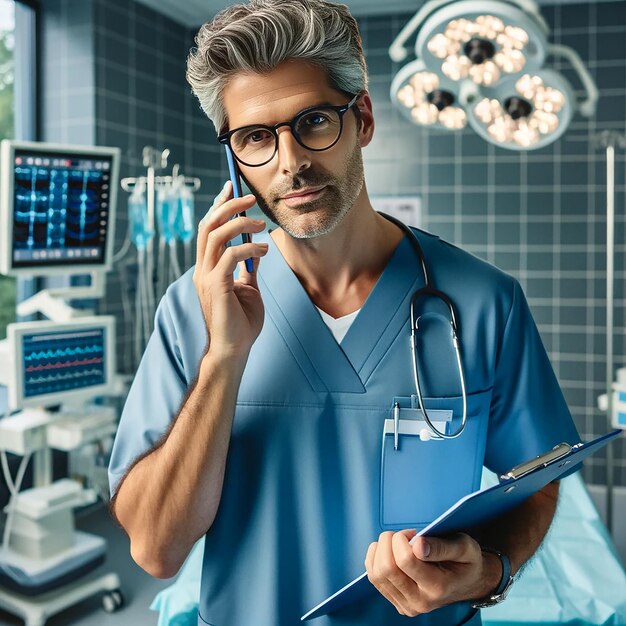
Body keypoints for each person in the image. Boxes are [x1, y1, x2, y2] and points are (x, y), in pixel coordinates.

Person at [108, 1, 580, 624]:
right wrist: (224, 360)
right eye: (255, 137)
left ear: (361, 117)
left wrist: (489, 570)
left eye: (313, 122)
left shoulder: (483, 302)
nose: (290, 160)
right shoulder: (194, 309)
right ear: (233, 157)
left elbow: (537, 480)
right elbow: (154, 548)